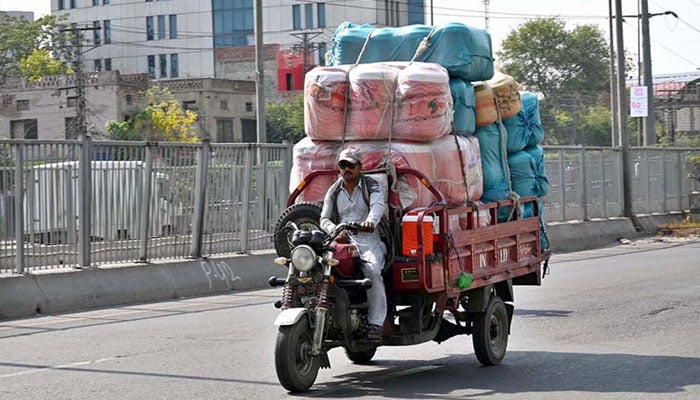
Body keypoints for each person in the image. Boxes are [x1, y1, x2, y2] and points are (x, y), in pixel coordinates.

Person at [320, 148, 387, 343]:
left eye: (351, 165)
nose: (346, 169)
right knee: (314, 268)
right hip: (341, 242)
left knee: (373, 271)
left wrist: (370, 222)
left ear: (360, 167)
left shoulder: (371, 186)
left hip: (368, 241)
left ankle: (376, 323)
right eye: (342, 165)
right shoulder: (333, 190)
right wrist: (335, 230)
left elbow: (378, 206)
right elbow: (324, 218)